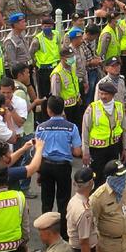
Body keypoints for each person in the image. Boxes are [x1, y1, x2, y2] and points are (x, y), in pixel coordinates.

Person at [36, 96, 83, 236]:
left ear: (48, 110)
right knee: (63, 201)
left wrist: (38, 172)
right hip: (63, 167)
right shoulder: (71, 127)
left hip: (45, 166)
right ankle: (63, 233)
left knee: (46, 201)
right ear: (63, 110)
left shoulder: (41, 127)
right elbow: (77, 151)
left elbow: (37, 152)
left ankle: (46, 232)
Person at [80, 81, 126, 185]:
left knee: (112, 175)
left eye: (106, 94)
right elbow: (85, 132)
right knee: (97, 177)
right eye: (101, 93)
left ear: (112, 95)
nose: (103, 96)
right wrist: (85, 152)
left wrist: (125, 148)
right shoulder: (92, 108)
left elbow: (125, 129)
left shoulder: (119, 107)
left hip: (113, 147)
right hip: (97, 150)